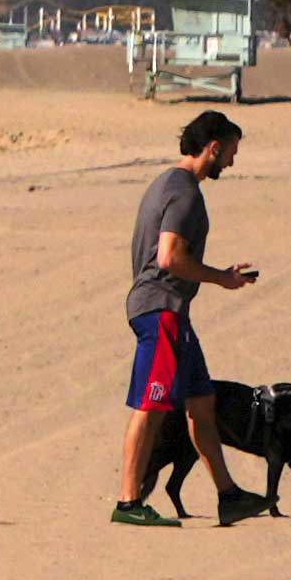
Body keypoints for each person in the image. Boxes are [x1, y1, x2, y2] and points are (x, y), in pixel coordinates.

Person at [112, 109, 264, 528]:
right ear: (213, 148)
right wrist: (221, 279)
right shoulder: (184, 193)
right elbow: (169, 256)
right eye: (230, 152)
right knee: (151, 404)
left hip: (173, 313)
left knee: (201, 402)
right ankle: (128, 502)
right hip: (160, 311)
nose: (231, 162)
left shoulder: (167, 183)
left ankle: (229, 495)